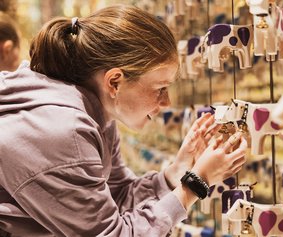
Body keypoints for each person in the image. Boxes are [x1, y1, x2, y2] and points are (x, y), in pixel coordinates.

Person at [0, 5, 247, 236]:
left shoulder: (98, 116)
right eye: (160, 88)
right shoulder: (63, 132)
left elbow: (115, 197)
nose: (167, 103)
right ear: (114, 82)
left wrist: (174, 174)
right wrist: (195, 185)